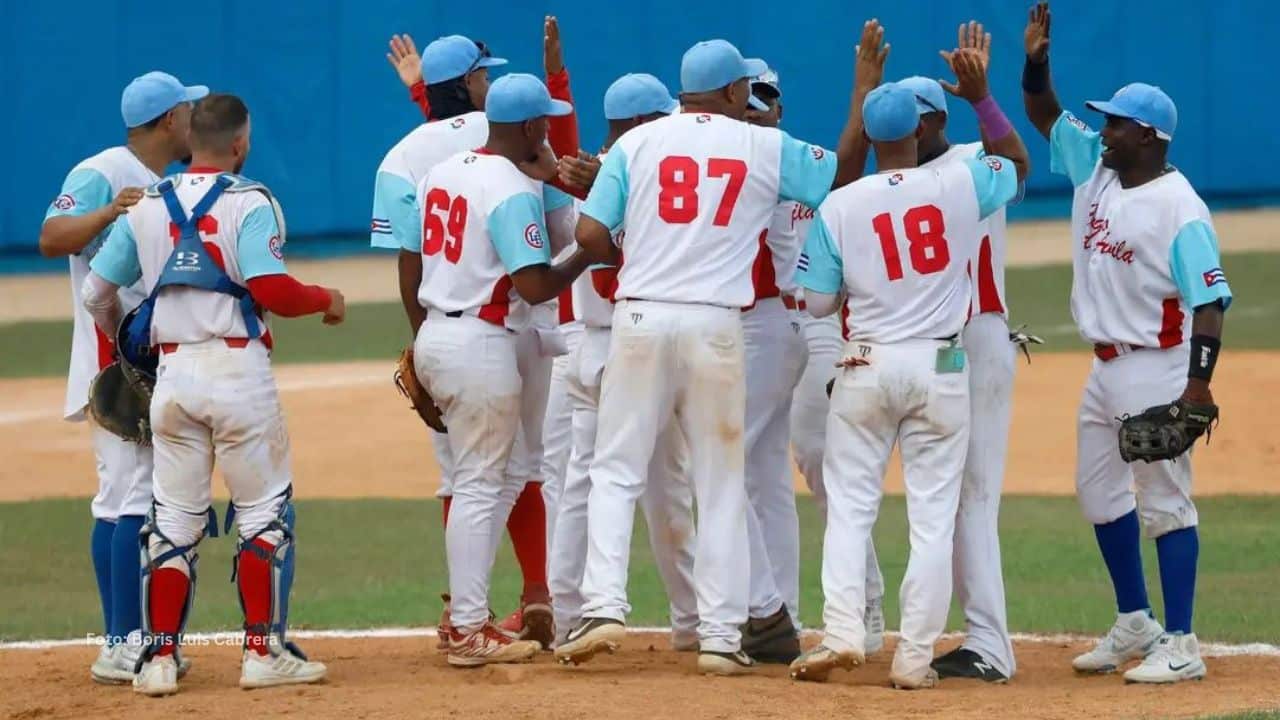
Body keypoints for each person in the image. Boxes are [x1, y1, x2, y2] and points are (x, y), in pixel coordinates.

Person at [555, 37, 854, 676]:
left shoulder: (638, 143)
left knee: (615, 469)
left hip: (640, 315)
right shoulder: (762, 144)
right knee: (719, 484)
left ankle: (603, 604)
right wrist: (863, 87)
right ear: (734, 91)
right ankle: (721, 637)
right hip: (718, 324)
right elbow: (844, 173)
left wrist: (634, 246)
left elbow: (588, 233)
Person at [83, 93, 345, 696]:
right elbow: (271, 288)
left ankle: (158, 661)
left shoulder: (148, 204)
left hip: (173, 375)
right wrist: (327, 299)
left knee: (172, 521)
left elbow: (97, 293)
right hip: (237, 373)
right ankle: (262, 653)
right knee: (263, 515)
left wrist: (128, 349)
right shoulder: (250, 201)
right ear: (240, 143)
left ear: (191, 139)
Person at [789, 66, 1019, 689]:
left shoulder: (840, 203)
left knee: (850, 511)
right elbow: (1017, 164)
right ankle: (915, 658)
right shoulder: (959, 184)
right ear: (920, 131)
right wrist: (982, 99)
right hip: (940, 366)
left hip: (866, 363)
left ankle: (842, 631)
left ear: (868, 135)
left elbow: (816, 303)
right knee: (934, 522)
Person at [1021, 1, 1230, 684]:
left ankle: (1183, 642)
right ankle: (1135, 620)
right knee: (1099, 495)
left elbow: (1209, 302)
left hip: (1157, 366)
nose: (1102, 130)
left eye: (1113, 122)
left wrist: (1197, 385)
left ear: (1146, 135)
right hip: (1104, 368)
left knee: (1164, 503)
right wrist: (1036, 62)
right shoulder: (1096, 169)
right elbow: (1045, 113)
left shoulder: (1180, 208)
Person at [375, 23, 580, 647]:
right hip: (509, 330)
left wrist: (424, 343)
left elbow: (408, 257)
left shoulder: (416, 162)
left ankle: (468, 612)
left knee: (475, 477)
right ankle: (505, 606)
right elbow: (550, 255)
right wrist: (591, 250)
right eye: (483, 76)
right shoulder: (520, 168)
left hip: (443, 329)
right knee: (509, 473)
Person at [39, 70, 205, 685]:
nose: (195, 122)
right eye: (189, 112)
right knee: (129, 498)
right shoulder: (104, 170)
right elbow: (51, 237)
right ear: (170, 120)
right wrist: (110, 209)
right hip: (116, 366)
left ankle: (124, 640)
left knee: (124, 498)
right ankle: (125, 642)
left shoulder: (164, 181)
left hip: (145, 358)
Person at [734, 20, 887, 664]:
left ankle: (866, 602)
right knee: (766, 472)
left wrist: (861, 93)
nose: (757, 110)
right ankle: (778, 612)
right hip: (762, 326)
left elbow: (847, 170)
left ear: (779, 105)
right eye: (747, 101)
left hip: (814, 326)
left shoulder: (794, 157)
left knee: (823, 459)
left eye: (765, 100)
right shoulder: (730, 161)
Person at [889, 19, 1031, 684]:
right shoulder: (897, 178)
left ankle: (991, 644)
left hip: (977, 338)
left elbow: (1019, 166)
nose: (900, 133)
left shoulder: (976, 162)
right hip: (931, 348)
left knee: (972, 495)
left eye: (910, 122)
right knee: (941, 498)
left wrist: (984, 98)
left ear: (934, 121)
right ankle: (972, 635)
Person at [547, 73, 700, 651]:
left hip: (596, 345)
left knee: (584, 487)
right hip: (634, 344)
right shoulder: (638, 174)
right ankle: (689, 620)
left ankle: (569, 616)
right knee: (663, 489)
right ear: (641, 123)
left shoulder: (585, 174)